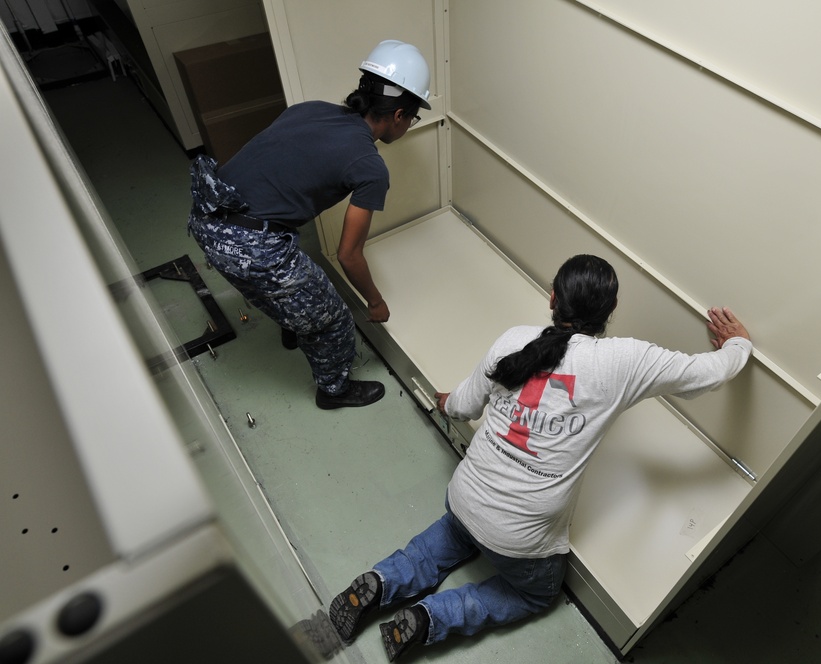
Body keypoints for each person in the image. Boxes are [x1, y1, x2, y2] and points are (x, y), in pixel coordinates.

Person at [326, 254, 753, 660]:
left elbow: (460, 405)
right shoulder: (623, 361)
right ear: (612, 309)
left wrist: (443, 401)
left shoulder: (513, 339)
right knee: (533, 594)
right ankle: (427, 618)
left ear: (553, 298)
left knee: (448, 538)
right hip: (523, 541)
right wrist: (738, 346)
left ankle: (381, 583)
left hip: (464, 497)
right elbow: (708, 372)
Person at [187, 40, 432, 409]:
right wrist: (375, 302)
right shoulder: (369, 165)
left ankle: (294, 321)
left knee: (294, 273)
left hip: (208, 212)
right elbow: (349, 255)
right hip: (248, 245)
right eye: (412, 118)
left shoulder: (311, 109)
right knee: (333, 319)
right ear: (398, 115)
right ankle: (334, 390)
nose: (409, 125)